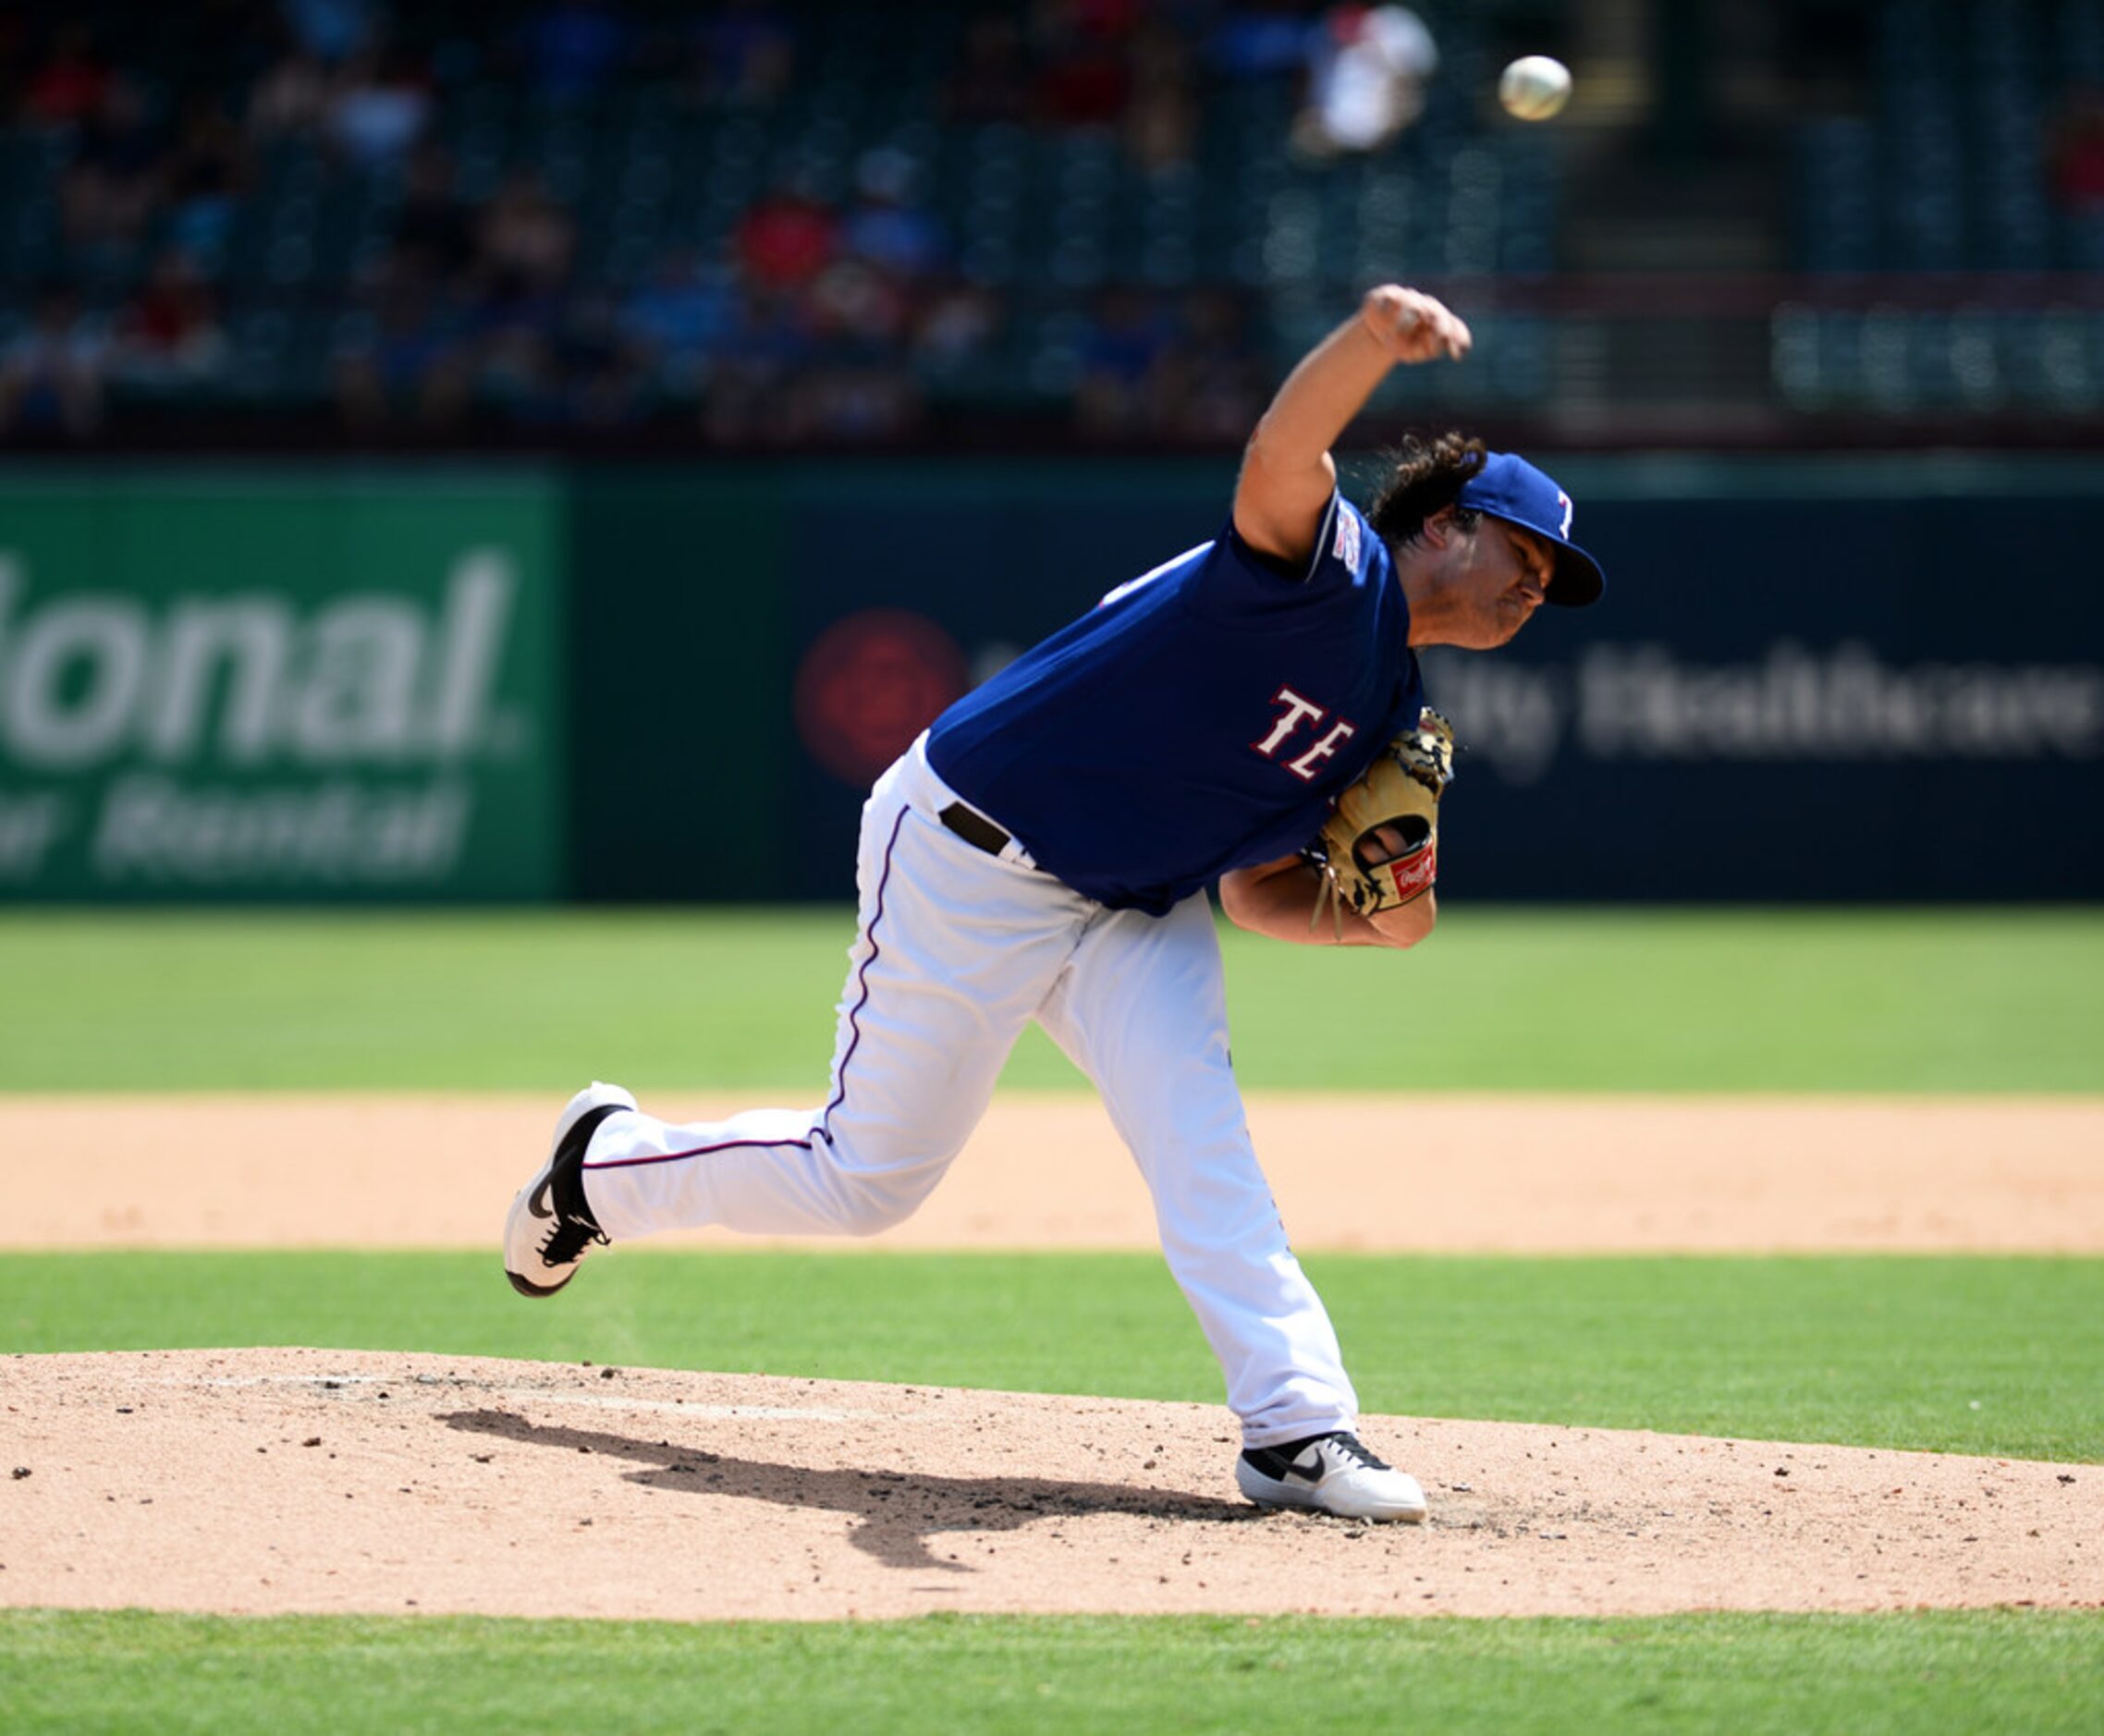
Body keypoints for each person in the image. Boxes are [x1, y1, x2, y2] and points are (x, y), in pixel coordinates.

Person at [504, 283, 1606, 1523]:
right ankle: (602, 1167)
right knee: (866, 1180)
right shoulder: (1326, 564)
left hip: (1132, 907)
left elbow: (1258, 892)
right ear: (1450, 525)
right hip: (975, 853)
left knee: (1205, 1143)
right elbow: (1281, 452)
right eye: (1528, 556)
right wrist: (1371, 343)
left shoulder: (1395, 717)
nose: (1535, 591)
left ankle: (1296, 1428)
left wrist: (1380, 910)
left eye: (1553, 583)